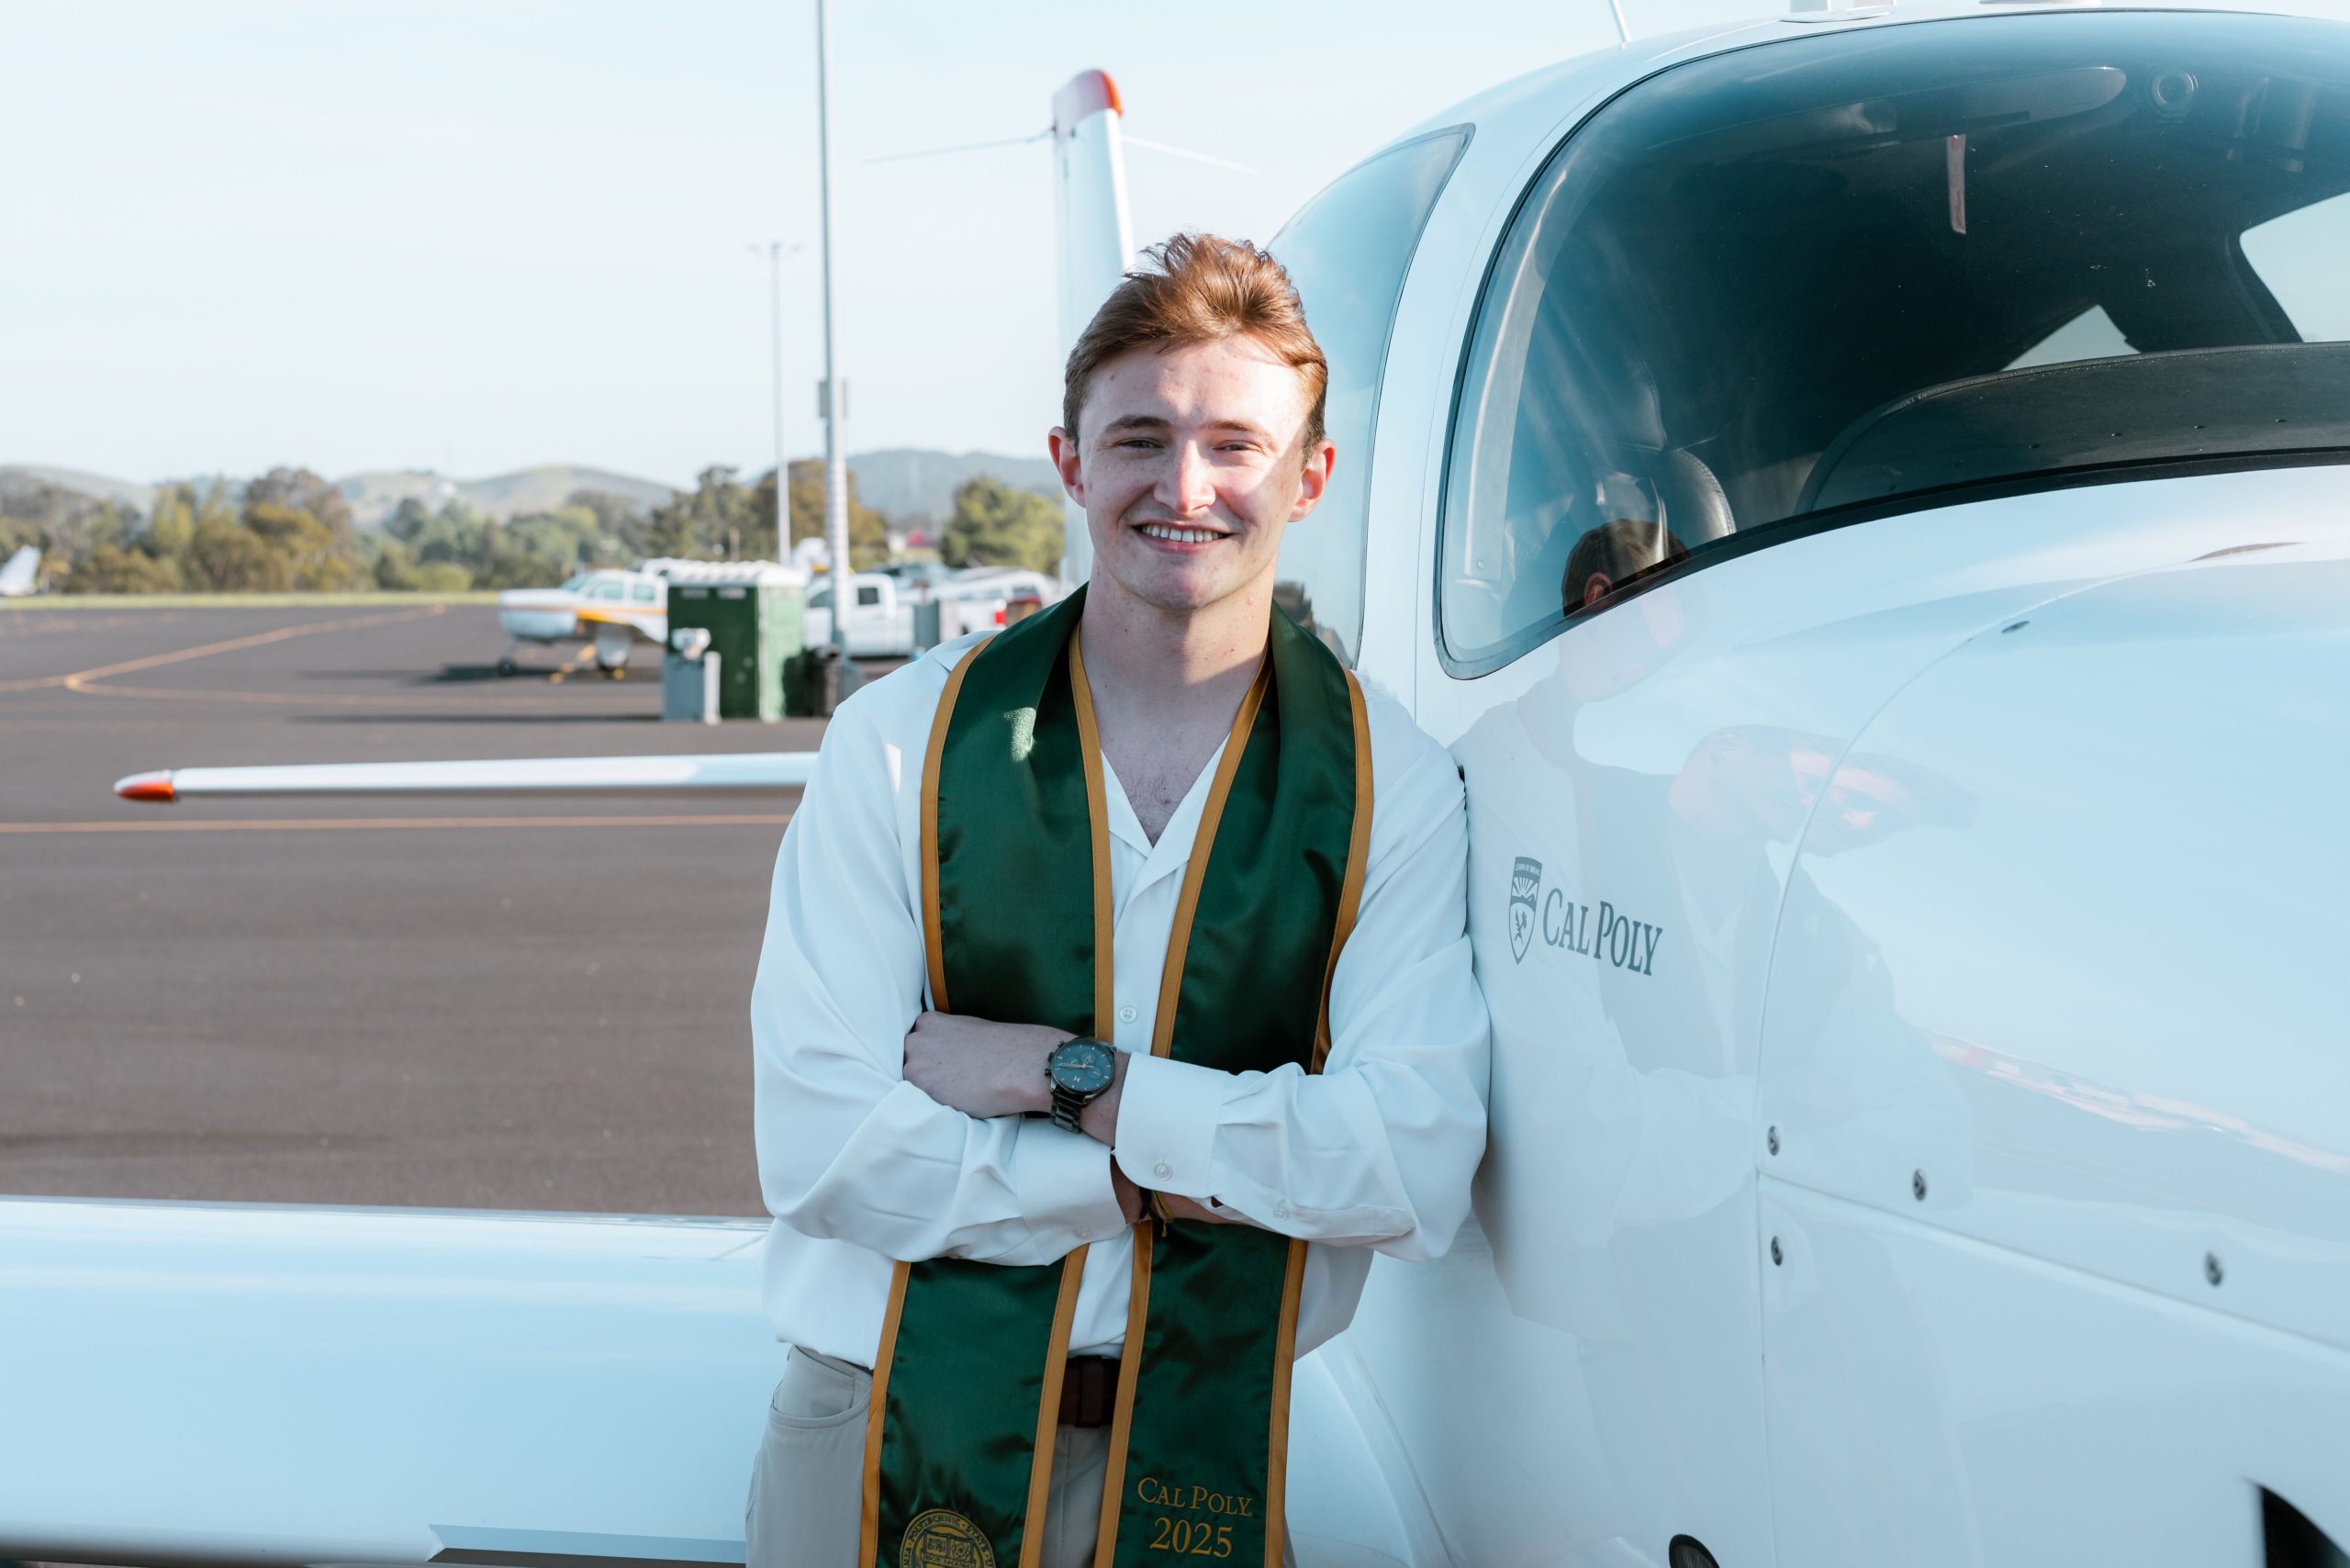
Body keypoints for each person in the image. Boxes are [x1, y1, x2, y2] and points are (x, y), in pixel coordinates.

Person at [746, 233, 1489, 1568]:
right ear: (1072, 462)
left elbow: (1407, 1167)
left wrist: (1066, 1077)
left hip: (1205, 1442)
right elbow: (823, 1147)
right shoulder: (902, 744)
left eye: (1235, 446)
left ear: (1310, 476)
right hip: (883, 1433)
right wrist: (1189, 1169)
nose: (1184, 487)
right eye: (1140, 439)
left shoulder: (1393, 783)